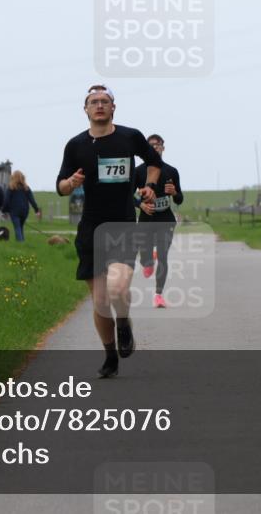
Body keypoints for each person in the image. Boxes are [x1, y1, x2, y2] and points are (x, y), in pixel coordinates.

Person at [57, 85, 162, 378]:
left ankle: (124, 322)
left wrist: (149, 186)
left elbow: (154, 164)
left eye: (105, 101)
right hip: (91, 228)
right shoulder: (75, 145)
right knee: (101, 301)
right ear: (86, 109)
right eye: (94, 101)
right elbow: (60, 186)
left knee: (117, 288)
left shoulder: (130, 137)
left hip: (122, 224)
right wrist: (70, 183)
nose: (99, 105)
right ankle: (110, 356)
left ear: (113, 107)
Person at [134, 134, 184, 309]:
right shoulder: (139, 171)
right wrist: (141, 205)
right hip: (146, 220)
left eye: (158, 144)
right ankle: (148, 260)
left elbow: (180, 199)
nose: (154, 147)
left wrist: (174, 193)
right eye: (151, 145)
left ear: (163, 147)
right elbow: (127, 196)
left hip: (166, 220)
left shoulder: (171, 171)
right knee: (145, 257)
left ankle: (158, 295)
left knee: (163, 256)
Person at [2, 170, 41, 241]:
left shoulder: (11, 188)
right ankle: (22, 243)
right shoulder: (26, 188)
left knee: (17, 227)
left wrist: (4, 211)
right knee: (20, 227)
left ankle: (20, 242)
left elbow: (6, 201)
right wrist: (36, 210)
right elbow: (32, 200)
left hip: (14, 211)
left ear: (13, 178)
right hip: (24, 211)